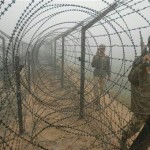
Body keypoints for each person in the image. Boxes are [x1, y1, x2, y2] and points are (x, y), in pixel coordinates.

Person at [120, 36, 150, 150]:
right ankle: (123, 137)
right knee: (135, 127)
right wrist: (143, 64)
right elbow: (132, 78)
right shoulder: (141, 59)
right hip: (144, 102)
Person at [91, 44, 111, 109]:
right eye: (100, 48)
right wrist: (97, 57)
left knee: (102, 90)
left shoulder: (107, 57)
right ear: (99, 49)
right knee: (96, 88)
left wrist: (109, 75)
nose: (102, 50)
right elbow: (93, 65)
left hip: (103, 74)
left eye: (103, 48)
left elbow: (108, 67)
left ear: (105, 49)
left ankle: (97, 99)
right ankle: (97, 102)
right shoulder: (96, 56)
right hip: (96, 73)